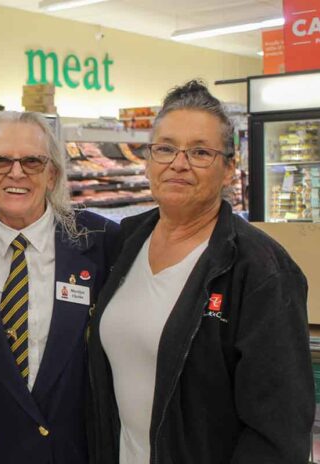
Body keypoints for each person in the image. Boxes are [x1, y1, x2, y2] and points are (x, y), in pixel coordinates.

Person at [88, 80, 314, 463]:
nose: (179, 163)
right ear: (148, 161)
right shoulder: (126, 242)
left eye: (200, 152)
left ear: (228, 170)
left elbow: (279, 431)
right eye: (165, 148)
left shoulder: (260, 270)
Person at [0, 111, 119, 463]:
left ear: (52, 174)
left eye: (32, 161)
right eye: (0, 161)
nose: (16, 173)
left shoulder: (102, 243)